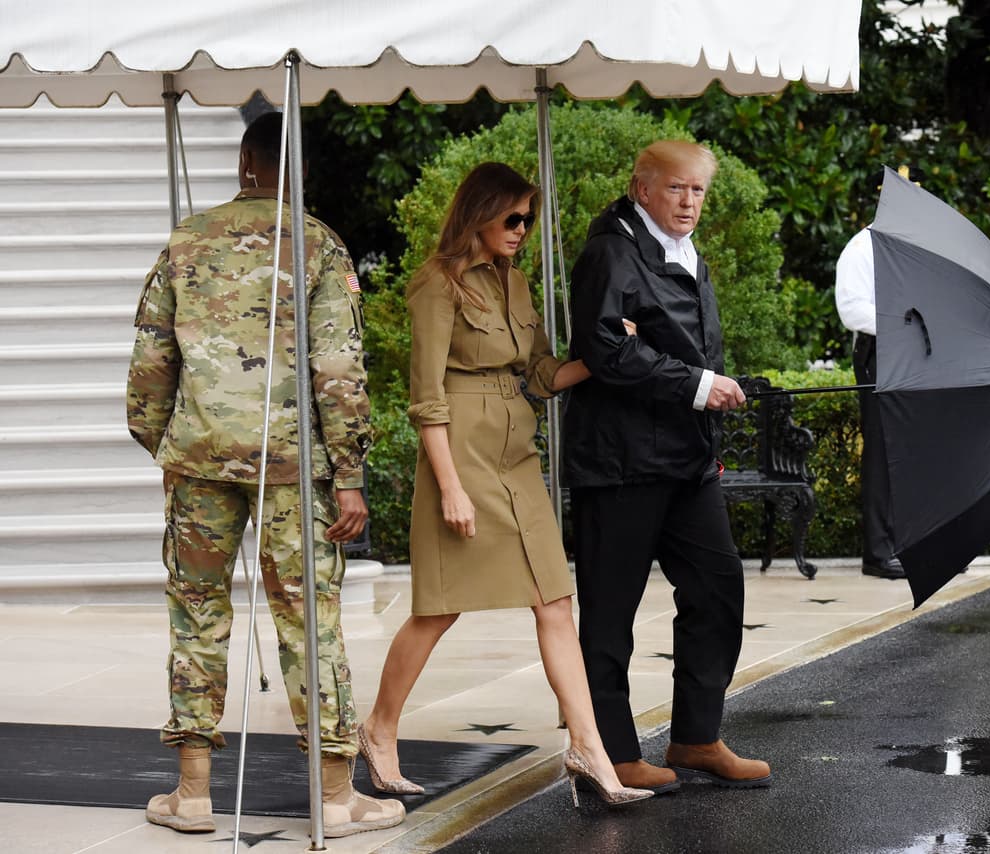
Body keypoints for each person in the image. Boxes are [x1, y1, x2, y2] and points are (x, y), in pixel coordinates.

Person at [125, 112, 405, 838]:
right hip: (292, 466)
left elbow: (152, 362)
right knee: (310, 621)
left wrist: (165, 442)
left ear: (246, 161)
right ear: (298, 169)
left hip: (199, 459)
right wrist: (348, 471)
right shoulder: (317, 244)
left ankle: (191, 794)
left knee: (196, 616)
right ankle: (337, 798)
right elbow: (338, 370)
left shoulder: (187, 239)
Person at [356, 162, 651, 808]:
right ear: (478, 214)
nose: (521, 230)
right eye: (511, 218)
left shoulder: (517, 285)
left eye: (527, 219)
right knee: (438, 608)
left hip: (516, 454)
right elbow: (426, 400)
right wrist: (450, 487)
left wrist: (608, 352)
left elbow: (542, 374)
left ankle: (588, 747)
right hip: (459, 453)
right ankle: (378, 730)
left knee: (555, 601)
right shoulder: (437, 285)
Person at [563, 140, 773, 792]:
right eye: (677, 189)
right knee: (610, 614)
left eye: (698, 191)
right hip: (621, 462)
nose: (688, 202)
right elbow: (603, 348)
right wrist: (694, 384)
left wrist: (699, 385)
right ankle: (614, 751)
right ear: (642, 188)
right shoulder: (612, 252)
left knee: (717, 589)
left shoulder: (685, 253)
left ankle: (696, 737)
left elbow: (661, 342)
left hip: (685, 458)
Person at [834, 225, 906, 580]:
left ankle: (910, 546)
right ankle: (879, 552)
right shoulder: (862, 247)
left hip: (917, 354)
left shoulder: (918, 245)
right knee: (882, 451)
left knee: (914, 450)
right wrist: (904, 322)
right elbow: (852, 310)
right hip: (882, 352)